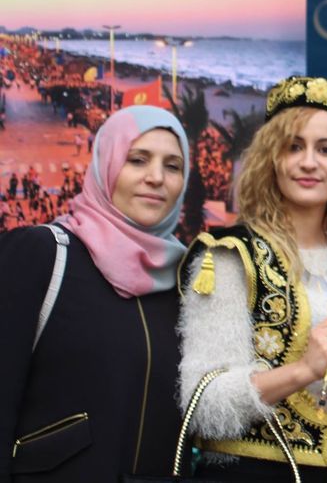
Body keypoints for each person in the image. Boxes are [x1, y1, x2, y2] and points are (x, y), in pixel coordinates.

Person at [177, 76, 327, 482]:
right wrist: (303, 370)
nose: (309, 162)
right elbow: (203, 405)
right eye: (294, 147)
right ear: (272, 158)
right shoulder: (229, 256)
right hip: (246, 474)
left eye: (326, 149)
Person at [0, 105, 190, 481]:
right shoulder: (43, 254)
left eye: (173, 166)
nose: (156, 178)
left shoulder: (186, 280)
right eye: (137, 160)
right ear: (106, 164)